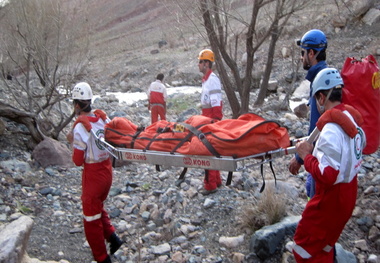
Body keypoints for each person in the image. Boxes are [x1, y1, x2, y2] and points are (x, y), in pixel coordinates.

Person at [292, 68, 366, 262]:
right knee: (325, 244)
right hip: (349, 193)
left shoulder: (331, 130)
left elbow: (328, 175)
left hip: (330, 200)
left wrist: (306, 155)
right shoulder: (350, 118)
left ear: (322, 97)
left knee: (302, 247)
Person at [66, 82, 123, 263]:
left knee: (91, 219)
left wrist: (71, 141)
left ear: (76, 105)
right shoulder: (102, 119)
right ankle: (113, 238)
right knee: (98, 207)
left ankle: (102, 258)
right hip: (107, 171)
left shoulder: (80, 127)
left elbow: (76, 161)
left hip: (93, 175)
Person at [289, 29, 328, 199]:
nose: (301, 57)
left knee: (315, 198)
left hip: (321, 155)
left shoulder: (320, 81)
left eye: (303, 52)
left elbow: (316, 125)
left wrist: (299, 158)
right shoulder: (326, 77)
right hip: (325, 154)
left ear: (311, 53)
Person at [197, 49, 223, 195]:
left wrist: (214, 122)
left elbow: (216, 105)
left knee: (207, 152)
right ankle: (216, 180)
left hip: (211, 120)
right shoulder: (207, 80)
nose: (198, 65)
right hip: (207, 118)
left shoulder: (212, 80)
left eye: (200, 62)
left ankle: (210, 185)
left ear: (206, 63)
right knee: (212, 151)